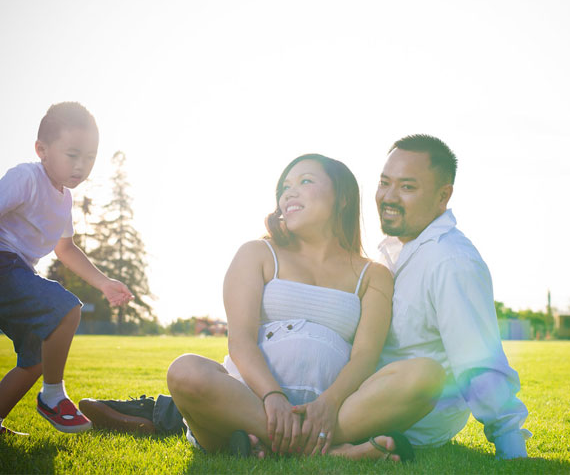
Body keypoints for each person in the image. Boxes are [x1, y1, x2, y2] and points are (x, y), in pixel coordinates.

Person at [164, 153, 445, 461]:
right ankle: (331, 452)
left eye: (305, 181)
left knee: (428, 376)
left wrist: (329, 403)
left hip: (334, 410)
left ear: (343, 198)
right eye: (285, 186)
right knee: (185, 370)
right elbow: (240, 341)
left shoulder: (373, 275)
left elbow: (365, 356)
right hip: (252, 401)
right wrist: (273, 397)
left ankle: (269, 444)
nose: (289, 193)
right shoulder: (257, 253)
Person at [374, 134, 531, 459]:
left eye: (407, 187)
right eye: (384, 182)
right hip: (372, 396)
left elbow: (479, 363)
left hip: (414, 415)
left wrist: (511, 447)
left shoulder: (450, 261)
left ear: (443, 196)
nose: (388, 197)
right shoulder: (395, 251)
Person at [0, 102, 133, 436]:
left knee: (38, 357)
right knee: (65, 309)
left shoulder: (63, 199)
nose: (81, 166)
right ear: (41, 150)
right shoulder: (26, 177)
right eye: (72, 155)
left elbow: (65, 248)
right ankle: (53, 395)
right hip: (3, 265)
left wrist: (103, 283)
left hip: (19, 274)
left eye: (89, 157)